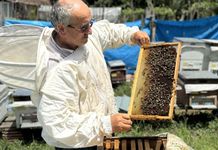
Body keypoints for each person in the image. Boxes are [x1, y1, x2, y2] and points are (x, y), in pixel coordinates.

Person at [34, 0, 150, 149]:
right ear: (61, 29)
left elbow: (107, 31)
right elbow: (58, 124)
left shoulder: (83, 35)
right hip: (77, 143)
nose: (90, 30)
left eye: (90, 23)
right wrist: (106, 124)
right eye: (84, 27)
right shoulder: (54, 69)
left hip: (102, 135)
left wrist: (132, 34)